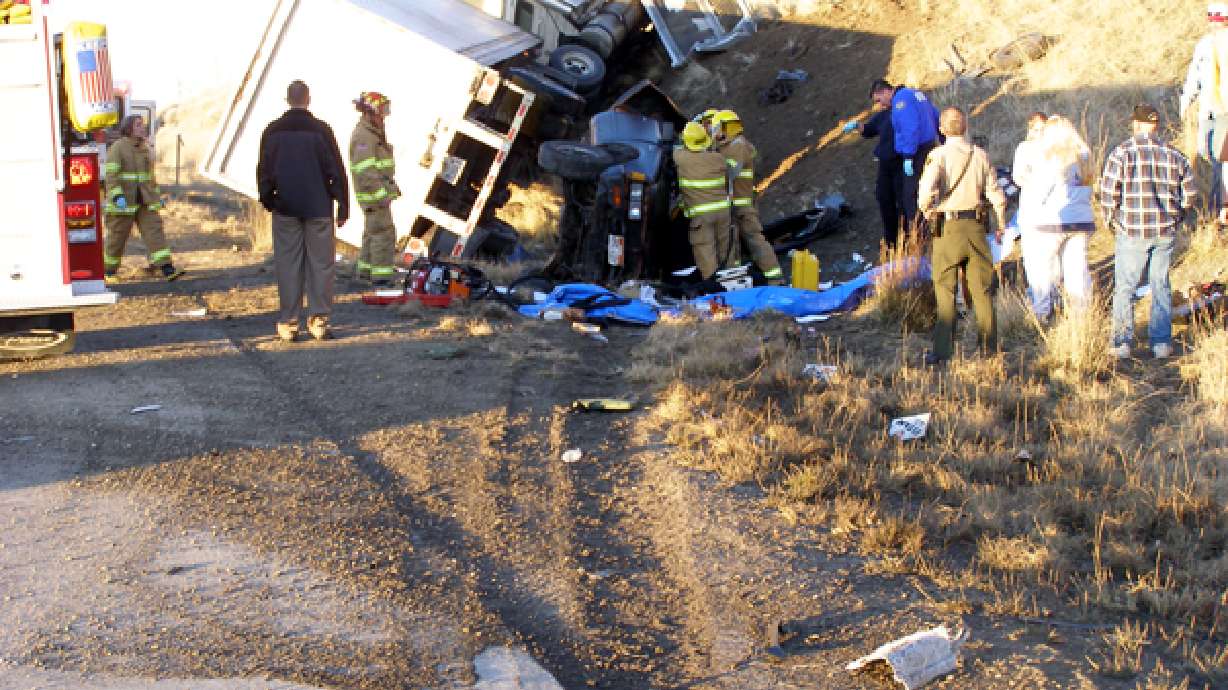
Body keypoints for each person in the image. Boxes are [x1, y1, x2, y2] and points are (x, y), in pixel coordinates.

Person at [1099, 104, 1197, 360]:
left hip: (1132, 230)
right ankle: (1161, 343)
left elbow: (1109, 195)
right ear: (1156, 126)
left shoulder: (1121, 153)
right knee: (1161, 285)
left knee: (1125, 288)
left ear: (1135, 124)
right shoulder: (1175, 155)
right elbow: (1190, 194)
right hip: (1164, 230)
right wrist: (1177, 218)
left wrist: (1113, 222)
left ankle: (1122, 342)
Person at [256, 80, 349, 342]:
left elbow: (264, 171)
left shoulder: (272, 131)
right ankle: (319, 322)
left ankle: (288, 323)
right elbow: (336, 170)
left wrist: (268, 200)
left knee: (288, 265)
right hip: (318, 207)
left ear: (287, 99)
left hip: (286, 207)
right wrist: (342, 205)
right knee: (321, 266)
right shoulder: (322, 130)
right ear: (308, 99)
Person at [917, 107, 1008, 365]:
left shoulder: (938, 156)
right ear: (965, 127)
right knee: (982, 290)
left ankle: (943, 351)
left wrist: (928, 211)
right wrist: (1001, 224)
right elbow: (996, 195)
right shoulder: (980, 155)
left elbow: (925, 193)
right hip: (976, 227)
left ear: (942, 129)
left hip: (948, 228)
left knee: (945, 288)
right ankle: (989, 349)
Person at [1017, 115, 1095, 319]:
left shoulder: (1048, 156)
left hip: (1051, 221)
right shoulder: (1084, 154)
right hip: (1081, 220)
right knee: (1077, 270)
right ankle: (1082, 315)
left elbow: (1038, 191)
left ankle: (1042, 313)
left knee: (1041, 270)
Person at [102, 115, 183, 282]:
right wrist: (117, 196)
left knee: (155, 233)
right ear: (129, 128)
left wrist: (156, 197)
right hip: (123, 204)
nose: (143, 128)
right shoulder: (118, 148)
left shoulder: (145, 149)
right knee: (116, 239)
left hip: (145, 202)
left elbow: (149, 178)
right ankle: (108, 272)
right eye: (138, 125)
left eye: (143, 125)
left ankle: (168, 269)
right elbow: (111, 175)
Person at [711, 110, 784, 284]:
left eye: (717, 128)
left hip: (741, 205)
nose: (715, 132)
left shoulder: (738, 145)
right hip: (732, 206)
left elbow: (730, 172)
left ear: (725, 127)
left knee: (755, 241)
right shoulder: (729, 146)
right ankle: (737, 282)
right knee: (731, 247)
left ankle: (775, 278)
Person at [1180, 2, 1228, 222]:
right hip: (1207, 109)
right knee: (1205, 153)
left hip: (1225, 110)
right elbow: (1194, 75)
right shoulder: (1204, 45)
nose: (1216, 25)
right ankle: (1213, 202)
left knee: (1221, 158)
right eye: (1213, 21)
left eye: (1220, 21)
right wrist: (1186, 100)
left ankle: (1220, 208)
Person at [348, 91, 400, 286]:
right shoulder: (364, 136)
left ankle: (365, 273)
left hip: (374, 195)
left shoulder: (370, 133)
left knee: (372, 233)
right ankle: (381, 278)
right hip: (374, 196)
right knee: (384, 233)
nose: (383, 117)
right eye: (381, 113)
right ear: (369, 113)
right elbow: (366, 171)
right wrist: (381, 195)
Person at [844, 81, 903, 246]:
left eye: (879, 100)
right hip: (885, 164)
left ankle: (906, 237)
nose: (879, 105)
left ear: (887, 92)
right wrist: (857, 126)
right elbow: (869, 129)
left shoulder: (901, 109)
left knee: (902, 201)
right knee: (884, 198)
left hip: (901, 161)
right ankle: (891, 240)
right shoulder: (883, 115)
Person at [673, 121, 733, 279]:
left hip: (702, 218)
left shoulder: (681, 158)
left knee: (707, 258)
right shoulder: (718, 158)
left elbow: (670, 152)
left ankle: (715, 294)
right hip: (723, 213)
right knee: (725, 255)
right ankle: (735, 290)